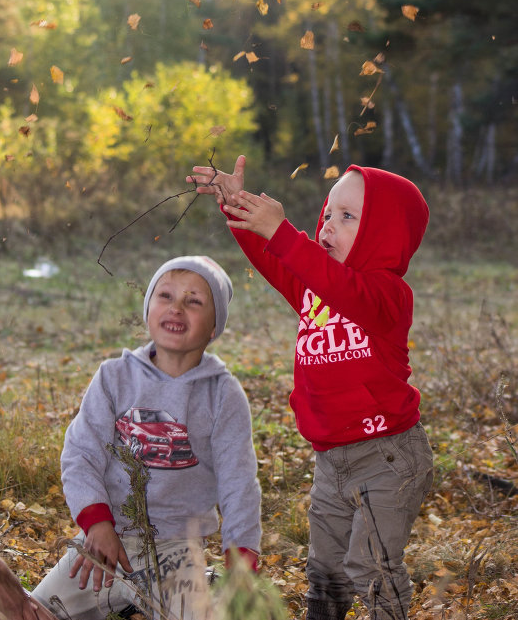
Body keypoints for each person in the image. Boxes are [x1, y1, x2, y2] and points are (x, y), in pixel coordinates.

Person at [187, 156, 434, 620]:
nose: (327, 225)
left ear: (385, 233)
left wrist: (283, 231)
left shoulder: (388, 295)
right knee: (325, 570)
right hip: (331, 461)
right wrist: (239, 210)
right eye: (327, 213)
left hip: (387, 458)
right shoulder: (315, 289)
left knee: (370, 566)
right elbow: (276, 258)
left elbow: (337, 285)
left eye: (347, 217)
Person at [32, 255, 261, 620]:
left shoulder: (223, 395)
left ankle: (205, 583)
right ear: (148, 309)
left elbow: (239, 485)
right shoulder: (113, 378)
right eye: (165, 296)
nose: (177, 308)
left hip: (177, 550)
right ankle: (119, 599)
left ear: (215, 326)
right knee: (28, 611)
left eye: (194, 301)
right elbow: (81, 454)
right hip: (105, 544)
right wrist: (97, 523)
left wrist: (242, 560)